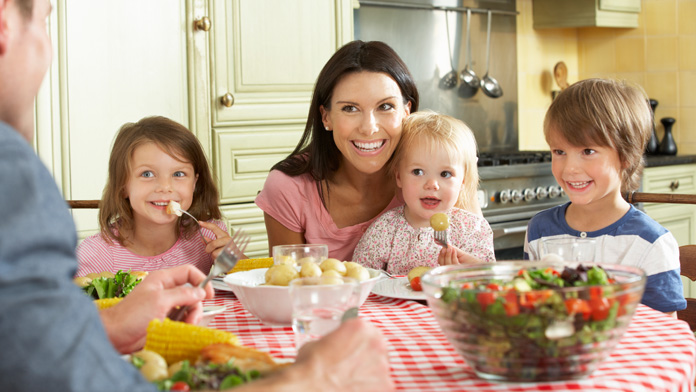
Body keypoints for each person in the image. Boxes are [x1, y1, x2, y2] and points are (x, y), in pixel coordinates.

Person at [0, 1, 393, 391]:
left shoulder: (202, 238)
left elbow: (39, 341)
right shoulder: (15, 175)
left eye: (179, 175)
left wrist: (113, 325)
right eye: (45, 21)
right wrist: (314, 379)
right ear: (4, 23)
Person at [256, 40, 481, 261]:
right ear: (326, 117)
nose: (368, 128)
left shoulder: (440, 173)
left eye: (385, 106)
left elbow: (481, 267)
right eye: (350, 108)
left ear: (406, 111)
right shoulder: (288, 188)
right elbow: (285, 285)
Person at [523, 78, 686, 316]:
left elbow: (665, 329)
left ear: (626, 157)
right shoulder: (540, 229)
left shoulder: (649, 242)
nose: (569, 168)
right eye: (559, 152)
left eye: (588, 151)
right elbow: (532, 308)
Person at [75, 116, 229, 277]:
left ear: (194, 183)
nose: (165, 187)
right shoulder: (96, 255)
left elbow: (253, 285)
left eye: (178, 173)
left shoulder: (207, 238)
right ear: (122, 186)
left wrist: (235, 262)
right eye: (147, 174)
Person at [353, 111, 495, 275]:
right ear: (399, 176)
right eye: (418, 172)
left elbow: (493, 282)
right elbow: (360, 277)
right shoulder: (384, 230)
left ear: (462, 181)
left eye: (445, 174)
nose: (432, 184)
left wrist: (472, 270)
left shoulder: (473, 229)